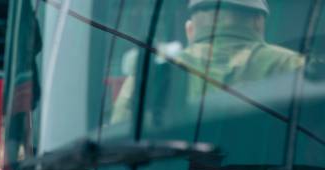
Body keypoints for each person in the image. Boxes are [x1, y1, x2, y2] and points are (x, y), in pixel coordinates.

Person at [110, 0, 303, 124]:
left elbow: (119, 146)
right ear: (259, 23)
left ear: (190, 29)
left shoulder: (154, 73)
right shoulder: (294, 66)